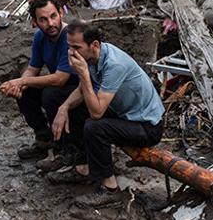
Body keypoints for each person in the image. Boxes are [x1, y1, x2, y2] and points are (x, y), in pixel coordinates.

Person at [48, 20, 164, 205]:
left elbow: (96, 113)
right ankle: (83, 168)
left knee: (95, 126)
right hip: (124, 114)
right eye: (69, 47)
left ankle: (110, 189)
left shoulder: (114, 64)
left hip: (146, 126)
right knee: (73, 108)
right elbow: (82, 90)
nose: (71, 53)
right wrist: (64, 107)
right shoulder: (93, 57)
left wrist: (84, 75)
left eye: (76, 47)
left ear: (94, 45)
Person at [0, 0, 80, 171]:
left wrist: (23, 81)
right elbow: (33, 68)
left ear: (61, 13)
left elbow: (60, 79)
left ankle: (63, 150)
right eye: (43, 19)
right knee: (26, 90)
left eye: (53, 16)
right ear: (35, 22)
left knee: (50, 94)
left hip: (80, 91)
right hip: (61, 87)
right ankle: (44, 139)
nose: (50, 24)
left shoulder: (69, 37)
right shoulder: (40, 37)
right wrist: (19, 84)